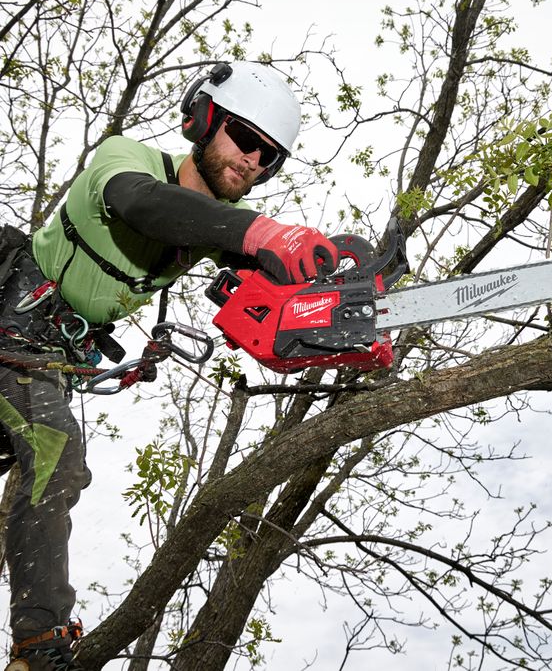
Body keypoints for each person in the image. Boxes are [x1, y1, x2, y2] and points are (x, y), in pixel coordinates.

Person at [0, 61, 339, 670]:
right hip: (12, 317)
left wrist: (344, 268)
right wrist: (261, 234)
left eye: (270, 156)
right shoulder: (125, 158)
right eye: (246, 138)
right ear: (204, 120)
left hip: (50, 356)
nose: (253, 160)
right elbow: (142, 204)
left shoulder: (214, 232)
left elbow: (267, 272)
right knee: (57, 455)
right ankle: (38, 644)